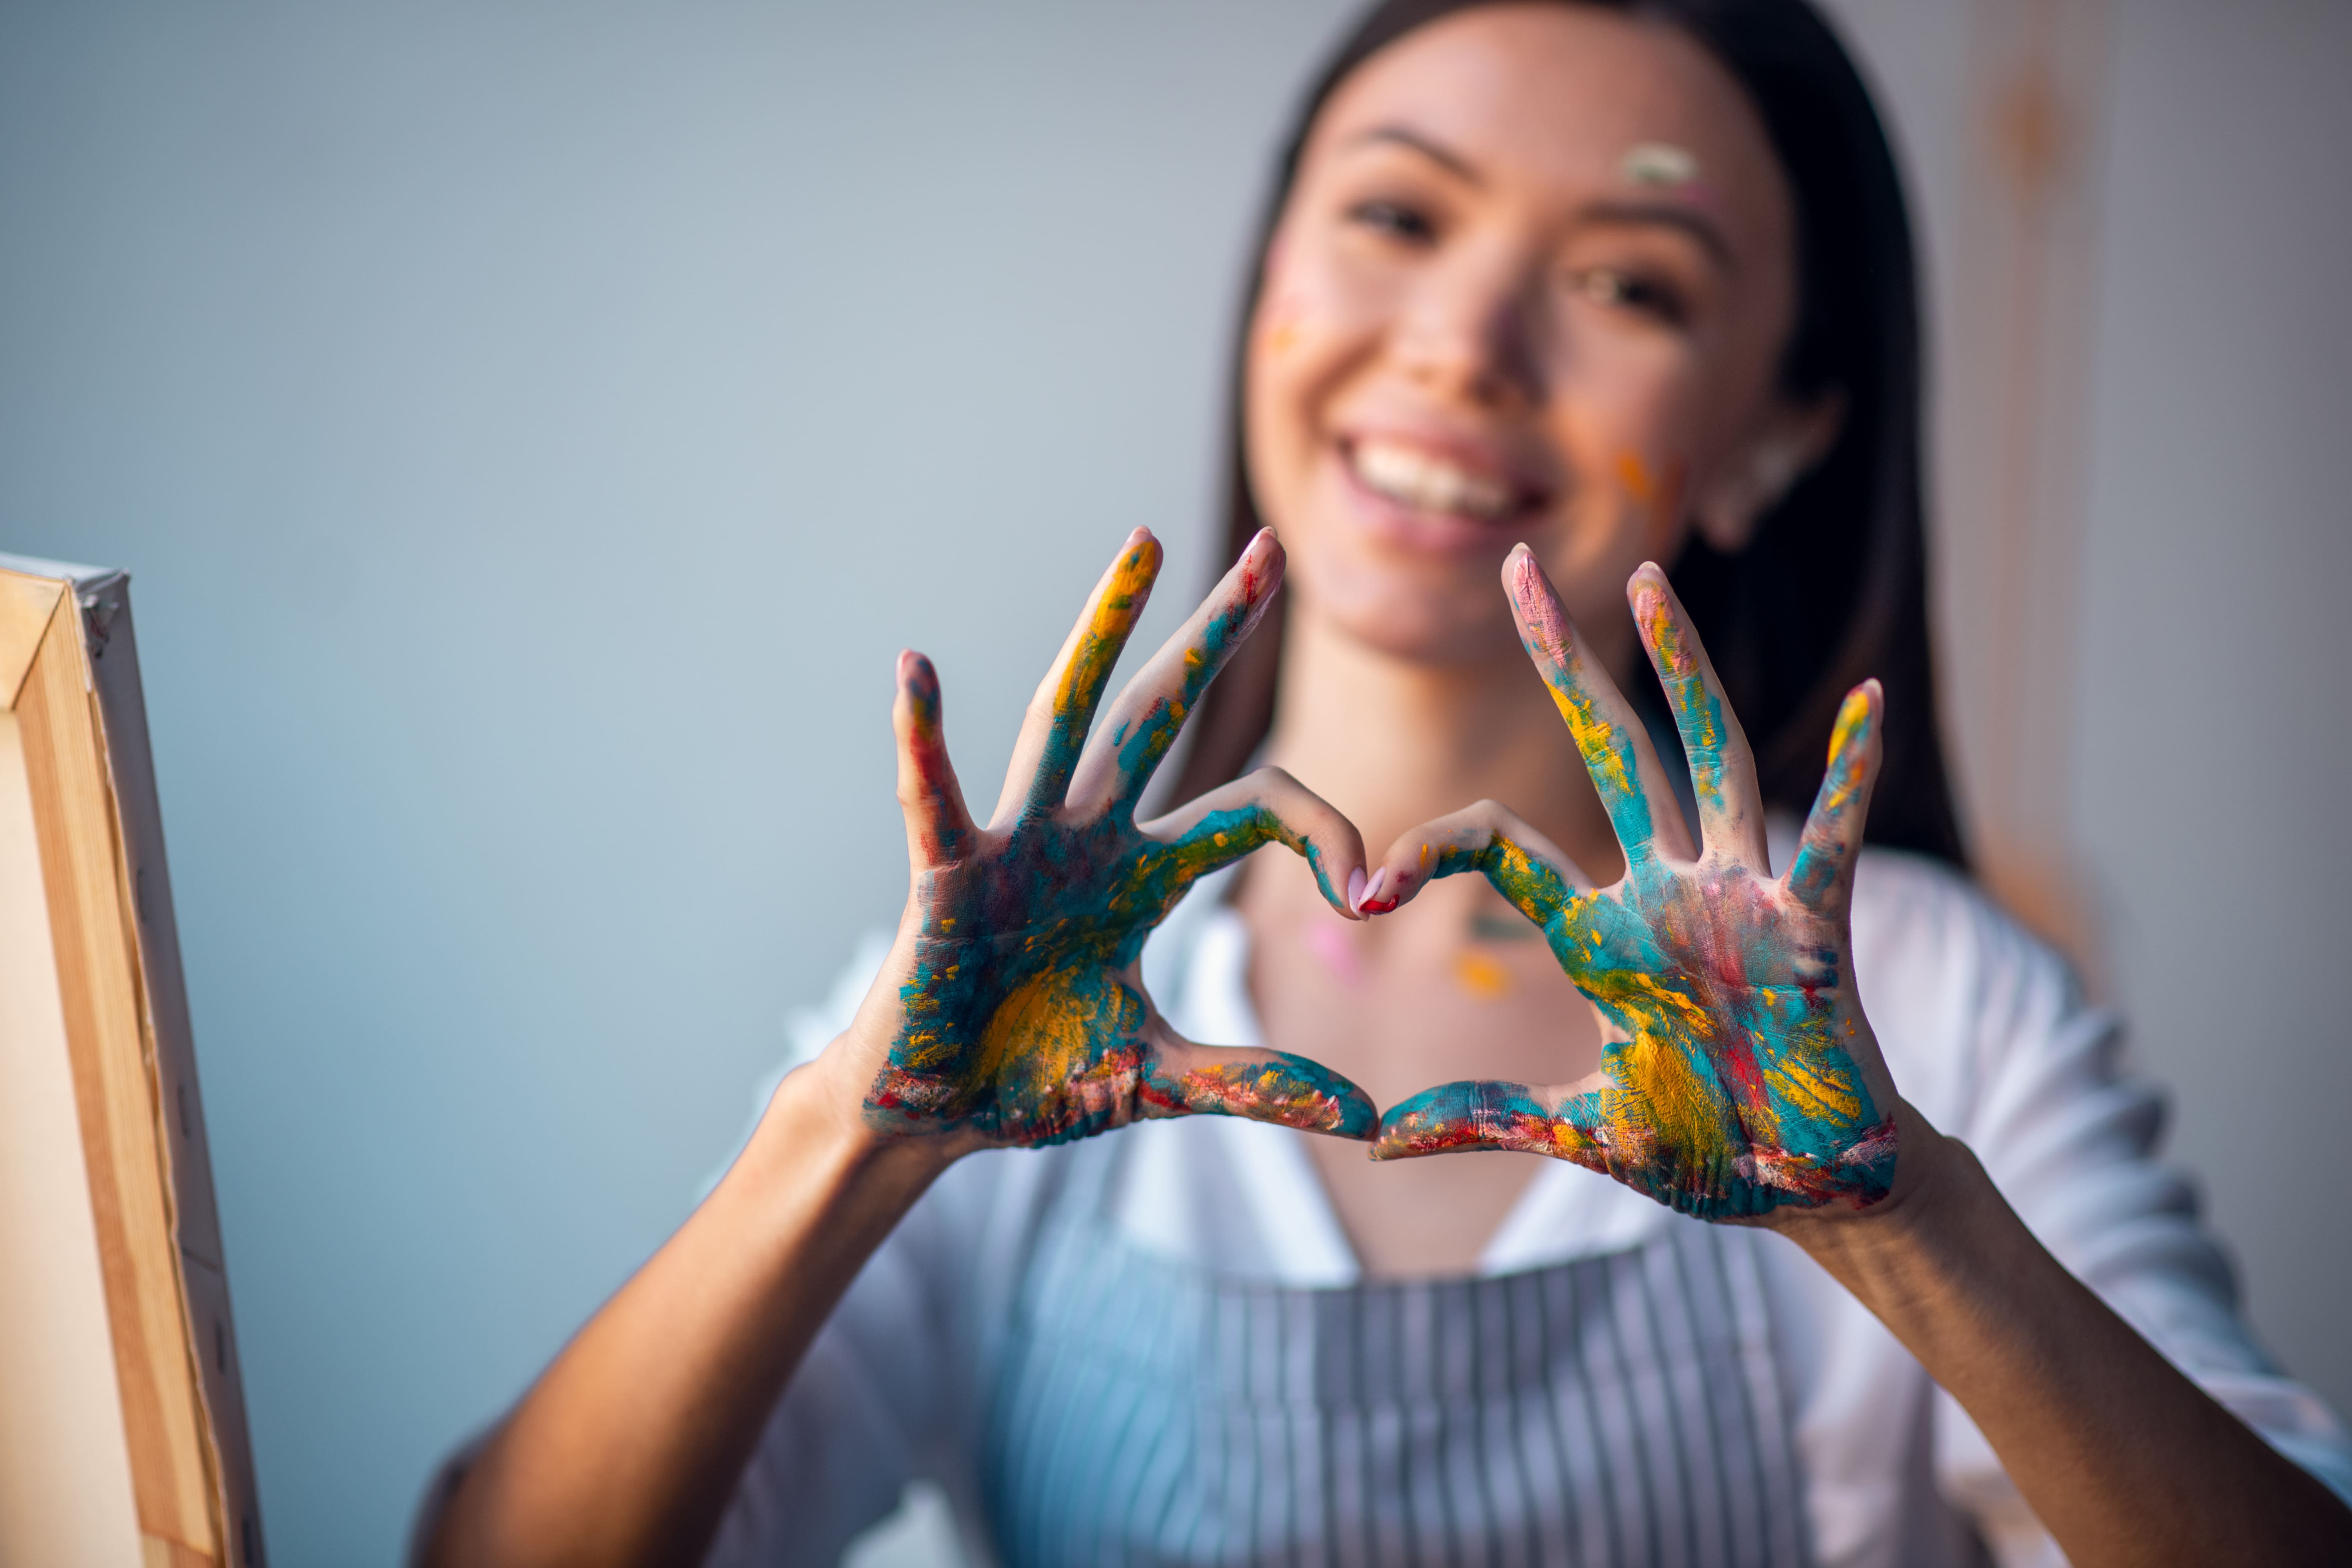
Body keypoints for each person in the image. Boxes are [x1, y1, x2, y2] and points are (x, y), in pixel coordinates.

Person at [416, 2, 2352, 1564]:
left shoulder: (1931, 1014)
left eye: (1632, 284)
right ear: (1270, 278)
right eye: (1401, 219)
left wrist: (1899, 1219)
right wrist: (856, 1139)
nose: (1461, 343)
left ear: (1779, 434)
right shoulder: (992, 1006)